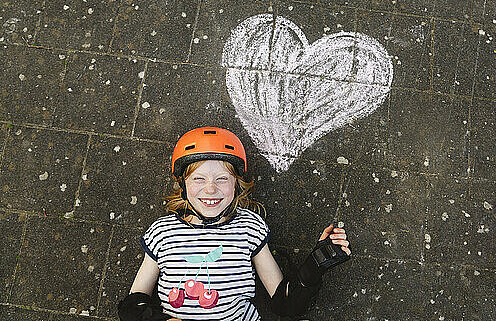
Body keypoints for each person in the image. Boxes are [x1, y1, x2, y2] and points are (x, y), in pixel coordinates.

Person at [118, 126, 351, 321]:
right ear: (183, 185)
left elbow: (285, 304)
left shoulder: (249, 227)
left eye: (222, 179)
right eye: (199, 179)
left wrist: (316, 265)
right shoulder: (163, 231)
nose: (210, 188)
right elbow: (133, 304)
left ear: (237, 185)